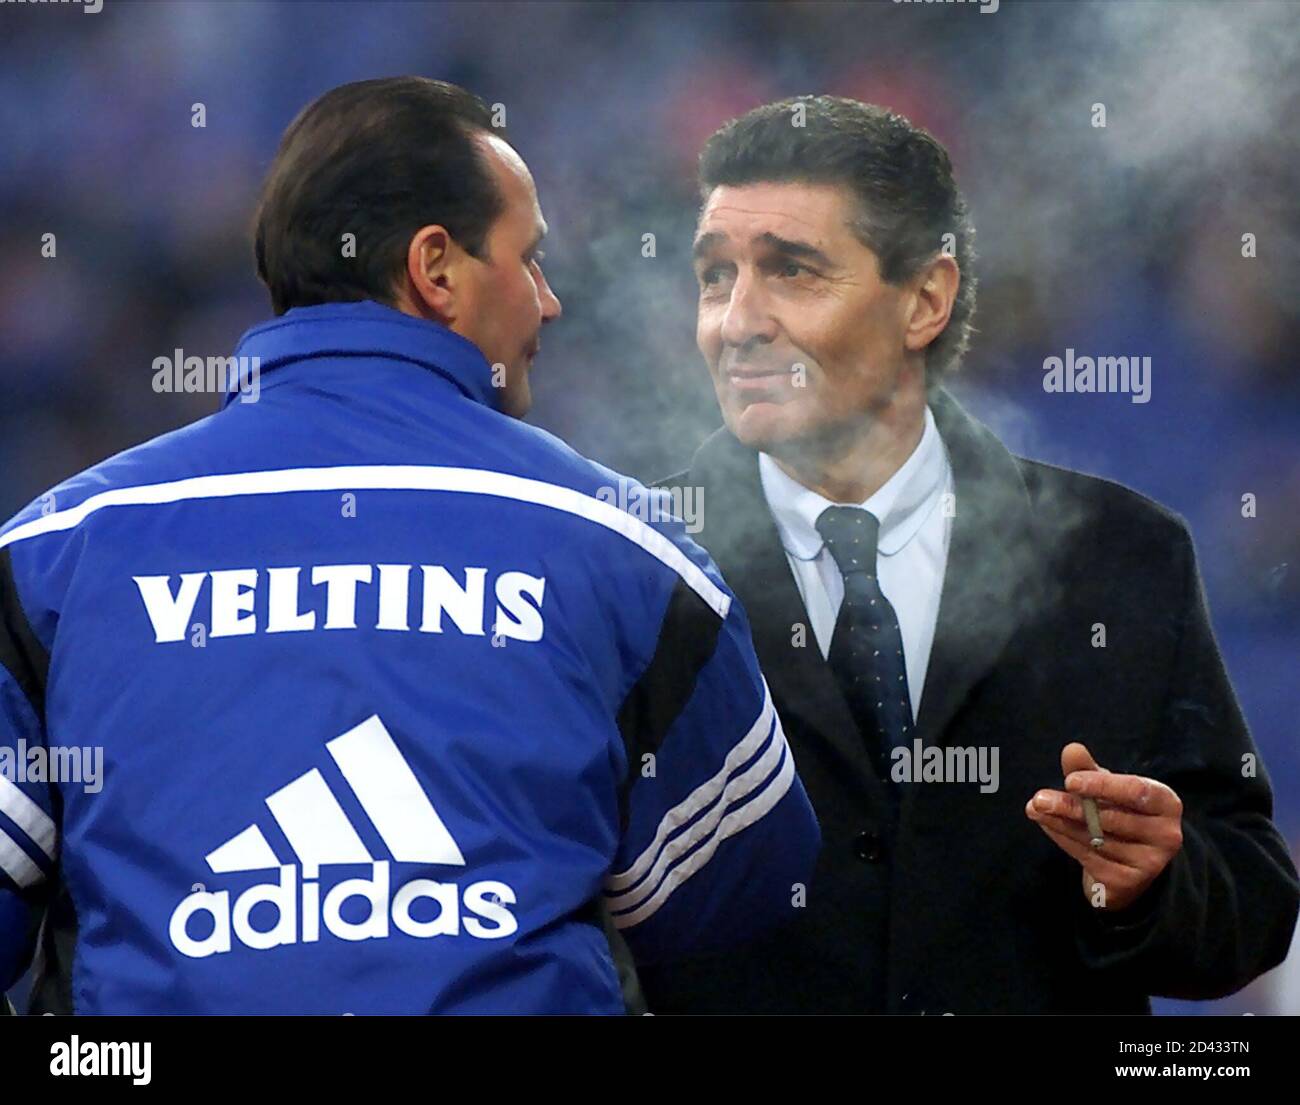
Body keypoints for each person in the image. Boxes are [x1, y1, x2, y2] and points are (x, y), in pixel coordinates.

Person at [0, 77, 818, 1015]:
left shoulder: (51, 553)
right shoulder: (622, 546)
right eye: (530, 259)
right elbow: (739, 917)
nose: (548, 304)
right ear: (436, 268)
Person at [637, 95, 1299, 1014]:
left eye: (791, 271)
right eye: (716, 277)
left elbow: (1253, 909)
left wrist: (1154, 881)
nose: (737, 321)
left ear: (925, 300)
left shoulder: (1122, 554)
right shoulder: (630, 563)